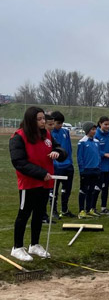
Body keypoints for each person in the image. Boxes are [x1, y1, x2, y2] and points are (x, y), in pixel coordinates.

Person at [8, 107, 66, 261]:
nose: (43, 122)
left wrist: (58, 152)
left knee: (39, 214)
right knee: (24, 214)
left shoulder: (46, 134)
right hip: (28, 183)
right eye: (39, 119)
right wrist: (41, 173)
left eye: (43, 118)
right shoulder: (18, 137)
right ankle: (17, 247)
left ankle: (34, 244)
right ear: (30, 120)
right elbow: (19, 162)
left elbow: (59, 148)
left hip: (45, 182)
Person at [50, 111, 76, 219]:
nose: (60, 125)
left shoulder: (65, 132)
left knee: (67, 189)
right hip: (56, 167)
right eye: (58, 123)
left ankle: (64, 209)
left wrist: (70, 161)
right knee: (54, 190)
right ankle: (53, 210)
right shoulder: (49, 134)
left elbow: (69, 148)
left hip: (68, 166)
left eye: (61, 123)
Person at [77, 122, 102, 219]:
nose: (94, 131)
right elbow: (80, 157)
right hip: (86, 170)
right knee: (83, 190)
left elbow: (98, 155)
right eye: (92, 129)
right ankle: (81, 210)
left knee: (92, 190)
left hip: (95, 170)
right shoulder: (82, 142)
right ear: (87, 130)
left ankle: (89, 209)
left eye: (95, 129)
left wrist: (98, 166)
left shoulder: (96, 142)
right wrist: (82, 170)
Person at [93, 116, 109, 215]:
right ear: (100, 124)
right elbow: (95, 149)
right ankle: (92, 207)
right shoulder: (96, 135)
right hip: (100, 165)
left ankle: (104, 208)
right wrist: (104, 154)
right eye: (105, 124)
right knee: (98, 187)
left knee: (106, 187)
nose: (107, 126)